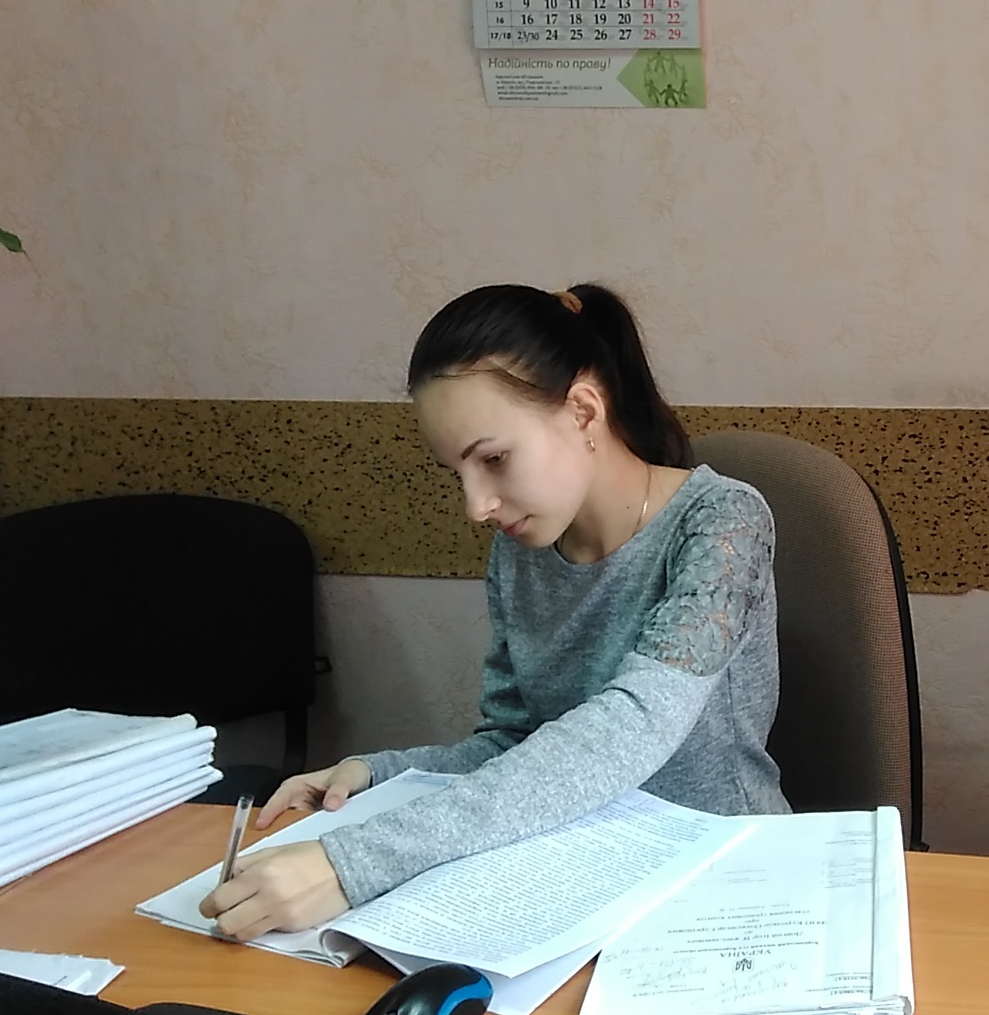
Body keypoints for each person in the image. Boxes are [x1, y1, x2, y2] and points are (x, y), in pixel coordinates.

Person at [199, 283, 789, 941]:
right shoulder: (521, 548)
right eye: (459, 473)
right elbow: (517, 741)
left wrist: (351, 864)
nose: (477, 505)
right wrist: (379, 773)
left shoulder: (723, 522)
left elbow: (631, 728)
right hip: (580, 867)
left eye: (495, 460)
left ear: (583, 411)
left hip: (724, 874)